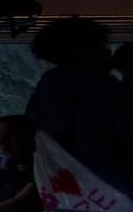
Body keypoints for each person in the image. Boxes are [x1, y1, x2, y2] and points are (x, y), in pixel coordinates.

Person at [26, 17, 133, 198]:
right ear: (84, 51)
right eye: (102, 45)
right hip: (120, 191)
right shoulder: (104, 89)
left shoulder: (45, 92)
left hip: (76, 195)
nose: (108, 52)